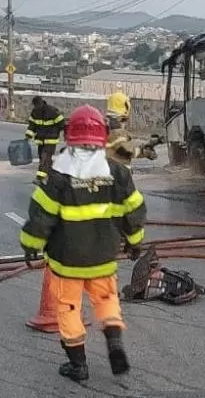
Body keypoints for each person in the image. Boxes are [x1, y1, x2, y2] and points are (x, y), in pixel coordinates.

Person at [19, 104, 146, 382]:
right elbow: (133, 212)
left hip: (67, 262)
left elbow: (41, 218)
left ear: (69, 137)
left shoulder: (58, 175)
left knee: (68, 308)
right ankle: (114, 341)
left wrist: (30, 244)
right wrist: (135, 243)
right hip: (103, 258)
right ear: (102, 136)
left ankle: (78, 365)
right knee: (106, 299)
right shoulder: (118, 172)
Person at [25, 96, 64, 182]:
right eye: (35, 105)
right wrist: (28, 135)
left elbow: (61, 123)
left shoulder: (52, 110)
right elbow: (32, 125)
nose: (37, 107)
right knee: (43, 158)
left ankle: (40, 178)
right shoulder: (34, 112)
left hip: (51, 140)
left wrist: (55, 132)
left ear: (42, 103)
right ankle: (50, 176)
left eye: (38, 105)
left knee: (45, 157)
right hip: (41, 140)